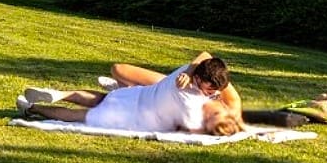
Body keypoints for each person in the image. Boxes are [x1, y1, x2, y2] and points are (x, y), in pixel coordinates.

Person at [18, 52, 244, 136]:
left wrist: (190, 70)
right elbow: (194, 128)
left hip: (133, 96)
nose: (212, 94)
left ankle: (60, 93)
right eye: (210, 90)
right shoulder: (191, 104)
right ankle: (32, 109)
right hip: (130, 118)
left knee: (98, 98)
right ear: (199, 80)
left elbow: (204, 55)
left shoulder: (183, 73)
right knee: (75, 117)